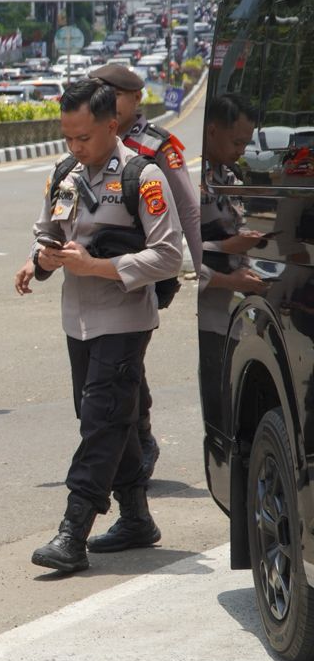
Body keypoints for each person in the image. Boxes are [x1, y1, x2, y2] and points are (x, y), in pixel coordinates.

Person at [14, 79, 182, 574]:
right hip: (78, 319)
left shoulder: (142, 176)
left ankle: (73, 531)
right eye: (67, 137)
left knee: (102, 419)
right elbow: (49, 229)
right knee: (111, 418)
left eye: (83, 137)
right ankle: (135, 517)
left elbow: (169, 255)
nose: (75, 147)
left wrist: (99, 268)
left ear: (112, 126)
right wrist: (37, 259)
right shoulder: (65, 172)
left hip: (124, 317)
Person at [89, 92, 262, 556]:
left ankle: (126, 494)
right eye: (237, 140)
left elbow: (202, 238)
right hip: (191, 303)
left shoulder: (212, 169)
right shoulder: (143, 167)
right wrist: (225, 271)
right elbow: (188, 246)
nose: (242, 149)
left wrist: (230, 252)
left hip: (217, 304)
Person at [91, 62, 203, 482]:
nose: (104, 101)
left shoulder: (156, 146)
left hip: (146, 270)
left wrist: (203, 273)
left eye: (113, 94)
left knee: (124, 359)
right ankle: (134, 439)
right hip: (100, 272)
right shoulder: (94, 140)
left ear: (135, 100)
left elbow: (189, 211)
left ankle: (138, 438)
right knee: (118, 362)